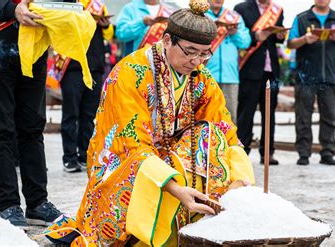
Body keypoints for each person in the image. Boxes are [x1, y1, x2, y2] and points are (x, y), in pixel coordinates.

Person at [45, 1, 255, 246]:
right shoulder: (130, 73)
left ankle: (191, 220)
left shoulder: (202, 78)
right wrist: (175, 188)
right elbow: (132, 145)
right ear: (166, 41)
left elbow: (225, 130)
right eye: (189, 51)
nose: (197, 61)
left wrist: (241, 182)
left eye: (205, 53)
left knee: (213, 137)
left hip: (173, 157)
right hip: (127, 160)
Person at [0, 0, 62, 226]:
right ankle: (8, 204)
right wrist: (12, 9)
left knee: (33, 127)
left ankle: (38, 202)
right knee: (1, 129)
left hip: (35, 44)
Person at [287, 0, 335, 166]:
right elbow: (290, 43)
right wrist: (304, 39)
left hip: (330, 77)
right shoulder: (301, 19)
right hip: (305, 77)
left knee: (330, 117)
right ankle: (303, 154)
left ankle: (328, 152)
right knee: (303, 117)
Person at [59, 2, 114, 173]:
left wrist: (105, 25)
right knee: (71, 114)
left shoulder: (97, 5)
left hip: (95, 67)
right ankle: (69, 157)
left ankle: (85, 155)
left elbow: (109, 35)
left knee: (89, 115)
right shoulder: (64, 4)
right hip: (72, 68)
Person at [234, 0, 286, 165]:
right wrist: (255, 35)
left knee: (269, 114)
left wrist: (280, 36)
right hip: (249, 69)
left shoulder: (277, 10)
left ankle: (267, 153)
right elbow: (240, 36)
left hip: (271, 69)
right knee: (246, 114)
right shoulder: (241, 8)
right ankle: (243, 152)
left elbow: (276, 40)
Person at [205, 0, 251, 123]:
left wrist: (234, 33)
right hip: (204, 74)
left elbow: (246, 42)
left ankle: (229, 142)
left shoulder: (234, 17)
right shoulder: (200, 15)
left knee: (229, 118)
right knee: (204, 116)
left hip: (230, 76)